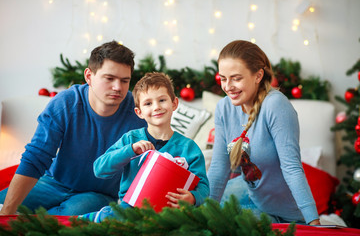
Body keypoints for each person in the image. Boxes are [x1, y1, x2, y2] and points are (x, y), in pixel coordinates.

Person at [0, 41, 147, 215]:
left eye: (125, 81)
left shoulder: (139, 111)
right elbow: (36, 157)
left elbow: (154, 160)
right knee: (4, 201)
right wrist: (7, 211)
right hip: (53, 182)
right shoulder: (65, 103)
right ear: (89, 76)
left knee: (69, 215)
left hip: (98, 194)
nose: (118, 87)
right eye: (109, 78)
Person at [207, 40, 320, 225]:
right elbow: (219, 168)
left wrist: (314, 223)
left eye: (236, 78)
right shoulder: (223, 108)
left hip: (288, 214)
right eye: (223, 78)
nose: (228, 86)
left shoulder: (275, 105)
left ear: (258, 75)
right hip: (255, 203)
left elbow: (292, 168)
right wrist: (201, 218)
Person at [80, 72, 209, 222]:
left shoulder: (189, 148)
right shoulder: (131, 139)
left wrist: (193, 198)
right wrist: (130, 150)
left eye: (162, 100)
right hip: (131, 208)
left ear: (174, 103)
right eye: (148, 103)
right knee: (119, 217)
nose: (156, 107)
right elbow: (99, 169)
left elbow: (204, 187)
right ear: (139, 112)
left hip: (170, 212)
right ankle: (97, 217)